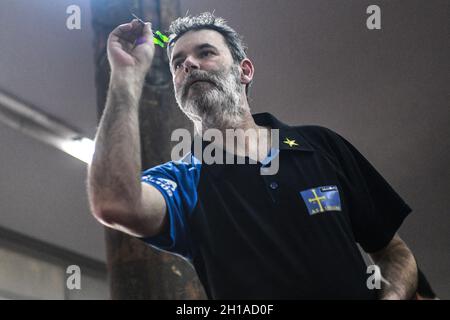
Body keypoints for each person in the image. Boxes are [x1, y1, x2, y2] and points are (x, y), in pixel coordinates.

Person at [87, 12, 419, 299]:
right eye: (178, 62)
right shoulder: (183, 180)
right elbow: (114, 202)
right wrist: (126, 78)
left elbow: (394, 252)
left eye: (205, 53)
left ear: (244, 71)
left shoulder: (320, 145)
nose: (188, 64)